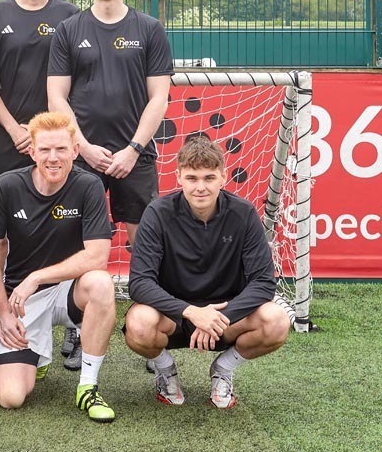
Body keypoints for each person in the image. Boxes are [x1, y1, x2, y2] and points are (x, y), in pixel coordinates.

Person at [47, 0, 174, 369]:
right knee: (75, 243)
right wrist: (81, 146)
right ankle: (77, 326)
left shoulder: (149, 29)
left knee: (145, 245)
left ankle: (151, 329)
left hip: (134, 158)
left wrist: (133, 149)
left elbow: (159, 98)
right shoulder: (69, 30)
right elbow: (57, 97)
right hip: (82, 157)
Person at [123, 135, 290, 408]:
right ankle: (166, 371)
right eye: (192, 178)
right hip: (174, 316)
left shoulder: (243, 213)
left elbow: (263, 282)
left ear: (223, 177)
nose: (200, 187)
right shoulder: (157, 213)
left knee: (277, 321)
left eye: (209, 178)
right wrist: (191, 311)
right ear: (178, 177)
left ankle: (223, 369)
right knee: (139, 324)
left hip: (226, 318)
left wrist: (219, 317)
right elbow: (140, 283)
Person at [0, 0, 80, 359]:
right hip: (7, 137)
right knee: (0, 234)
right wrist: (16, 129)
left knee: (67, 227)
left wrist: (46, 135)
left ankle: (73, 324)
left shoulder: (70, 15)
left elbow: (73, 82)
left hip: (56, 141)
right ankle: (2, 313)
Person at [0, 112, 118, 422]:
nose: (53, 158)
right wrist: (2, 314)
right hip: (23, 300)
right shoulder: (7, 185)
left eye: (61, 149)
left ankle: (88, 386)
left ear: (75, 150)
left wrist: (37, 277)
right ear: (32, 151)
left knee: (101, 282)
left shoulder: (89, 185)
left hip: (70, 291)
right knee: (11, 397)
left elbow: (97, 256)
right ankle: (36, 357)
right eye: (45, 149)